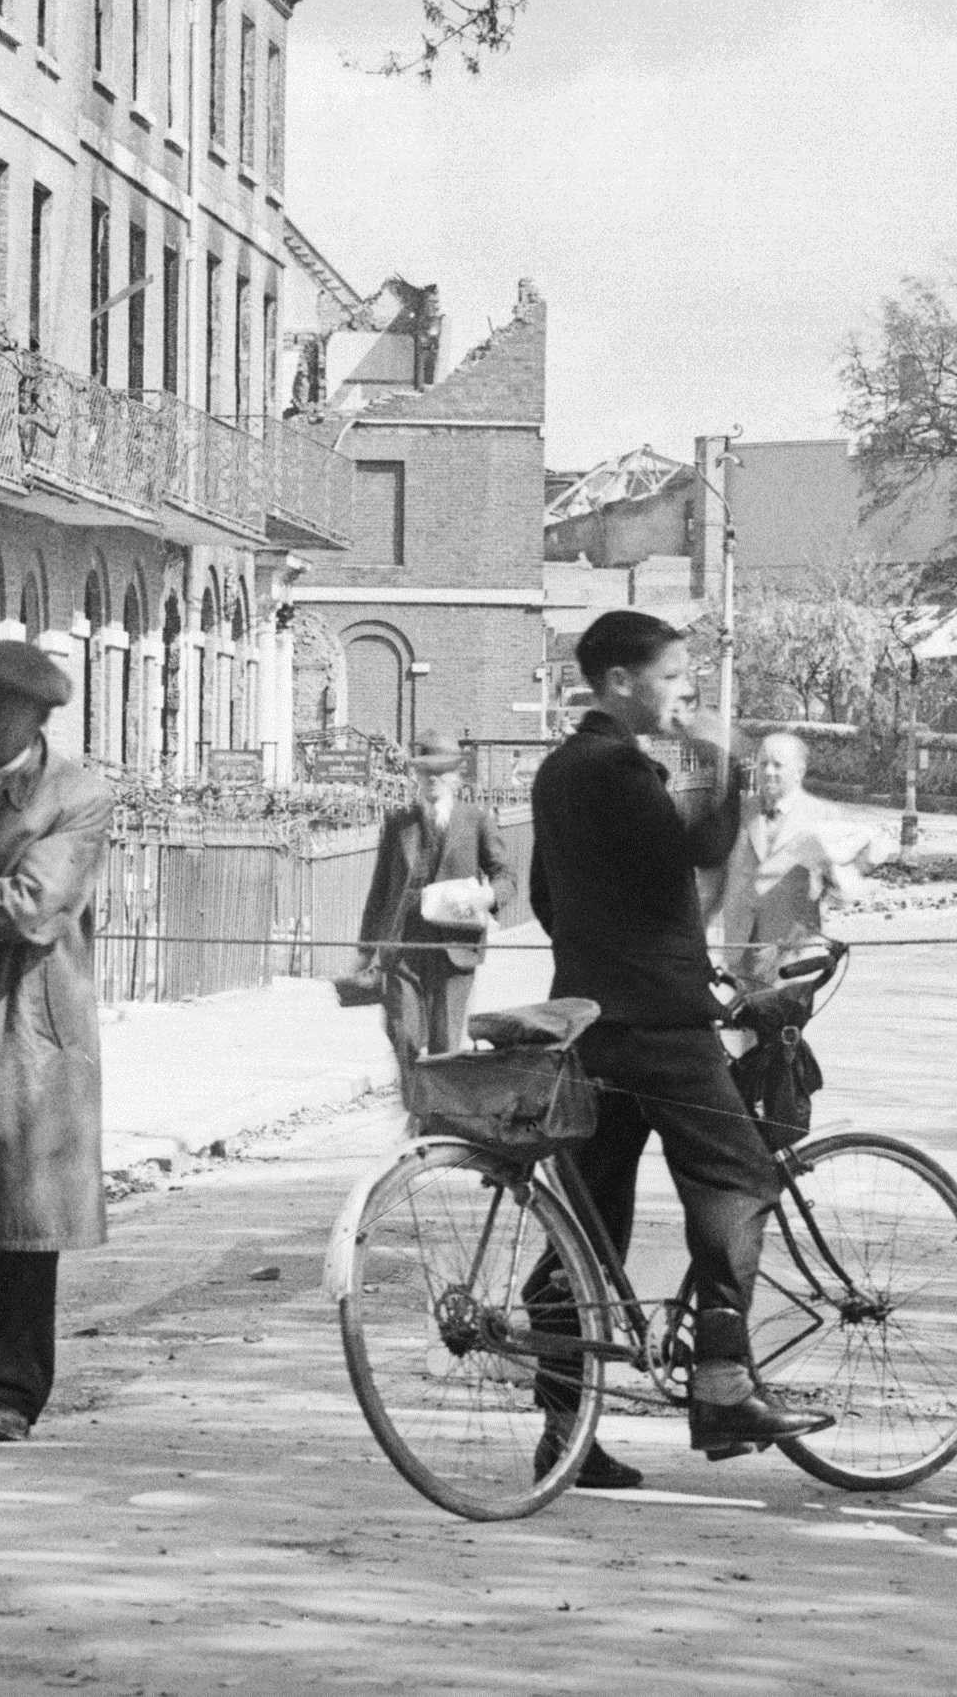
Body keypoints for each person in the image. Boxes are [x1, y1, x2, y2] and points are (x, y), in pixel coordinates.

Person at [523, 607, 830, 1480]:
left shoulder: (556, 771)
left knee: (591, 1226)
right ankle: (725, 1377)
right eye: (673, 676)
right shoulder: (619, 767)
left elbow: (549, 898)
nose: (686, 689)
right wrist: (718, 755)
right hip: (659, 1026)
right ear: (620, 682)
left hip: (588, 1022)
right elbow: (694, 846)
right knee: (740, 1176)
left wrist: (609, 951)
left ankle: (564, 1435)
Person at [0, 634, 116, 1446]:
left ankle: (7, 1389)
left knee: (19, 1214)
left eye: (0, 708)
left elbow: (36, 907)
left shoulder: (76, 796)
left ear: (39, 717)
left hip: (25, 1024)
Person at [353, 739, 498, 1061]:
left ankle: (433, 1111)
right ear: (416, 776)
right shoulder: (399, 824)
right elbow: (379, 890)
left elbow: (505, 875)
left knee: (445, 1049)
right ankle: (416, 1103)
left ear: (456, 777)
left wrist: (487, 895)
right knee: (403, 1036)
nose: (433, 780)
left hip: (454, 951)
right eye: (425, 772)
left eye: (441, 772)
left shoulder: (475, 821)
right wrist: (364, 951)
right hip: (404, 947)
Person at [710, 729, 881, 982]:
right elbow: (716, 877)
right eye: (763, 763)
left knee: (780, 1019)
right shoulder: (738, 813)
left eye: (778, 765)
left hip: (791, 954)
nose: (768, 772)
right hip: (737, 949)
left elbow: (865, 856)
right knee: (738, 1020)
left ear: (799, 771)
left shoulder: (824, 817)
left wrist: (845, 875)